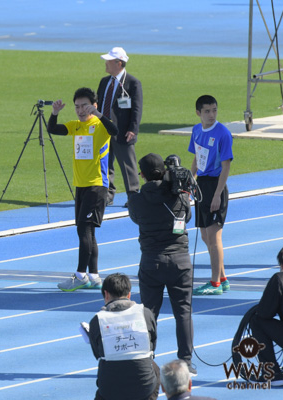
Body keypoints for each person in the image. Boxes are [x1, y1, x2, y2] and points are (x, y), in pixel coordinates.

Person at [128, 153, 197, 375]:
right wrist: (176, 187)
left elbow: (136, 218)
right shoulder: (178, 195)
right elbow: (187, 217)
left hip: (151, 262)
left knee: (149, 313)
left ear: (144, 175)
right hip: (180, 261)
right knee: (183, 312)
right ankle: (186, 361)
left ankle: (148, 360)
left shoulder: (137, 199)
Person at [47, 87, 118, 291]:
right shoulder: (76, 126)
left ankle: (80, 275)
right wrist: (54, 113)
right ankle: (94, 275)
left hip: (97, 185)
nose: (80, 110)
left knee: (83, 229)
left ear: (94, 105)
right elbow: (53, 129)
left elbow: (115, 131)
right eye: (77, 106)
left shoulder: (100, 125)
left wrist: (98, 114)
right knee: (88, 232)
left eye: (84, 106)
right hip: (81, 186)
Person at [82, 273, 159, 400]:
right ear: (129, 294)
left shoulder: (98, 320)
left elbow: (98, 354)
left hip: (110, 390)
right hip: (143, 388)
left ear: (106, 294)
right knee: (153, 366)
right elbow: (152, 346)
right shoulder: (145, 314)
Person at [188, 95, 233, 295]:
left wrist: (217, 195)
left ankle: (215, 283)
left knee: (214, 238)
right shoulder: (196, 130)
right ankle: (222, 278)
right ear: (198, 113)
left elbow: (226, 167)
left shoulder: (223, 133)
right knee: (205, 236)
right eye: (207, 111)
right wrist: (189, 183)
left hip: (216, 186)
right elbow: (197, 158)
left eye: (214, 110)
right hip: (201, 187)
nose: (211, 115)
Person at [96, 47, 143, 207]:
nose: (105, 64)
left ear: (118, 63)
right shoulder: (104, 82)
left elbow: (137, 108)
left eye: (108, 61)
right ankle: (107, 195)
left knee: (128, 165)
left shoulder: (132, 83)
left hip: (123, 132)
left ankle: (133, 196)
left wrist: (133, 129)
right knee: (105, 164)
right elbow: (99, 104)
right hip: (103, 131)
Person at [248, 245, 283, 386]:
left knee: (257, 321)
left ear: (282, 265)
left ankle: (272, 374)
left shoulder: (280, 279)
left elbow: (264, 312)